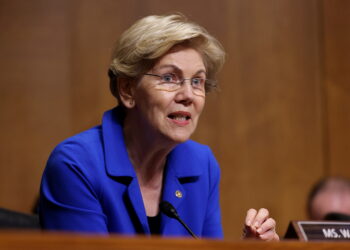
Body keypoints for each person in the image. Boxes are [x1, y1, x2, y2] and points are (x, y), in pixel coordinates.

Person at [39, 13, 279, 240]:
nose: (188, 95)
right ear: (127, 90)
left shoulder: (201, 164)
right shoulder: (76, 164)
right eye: (168, 78)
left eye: (197, 81)